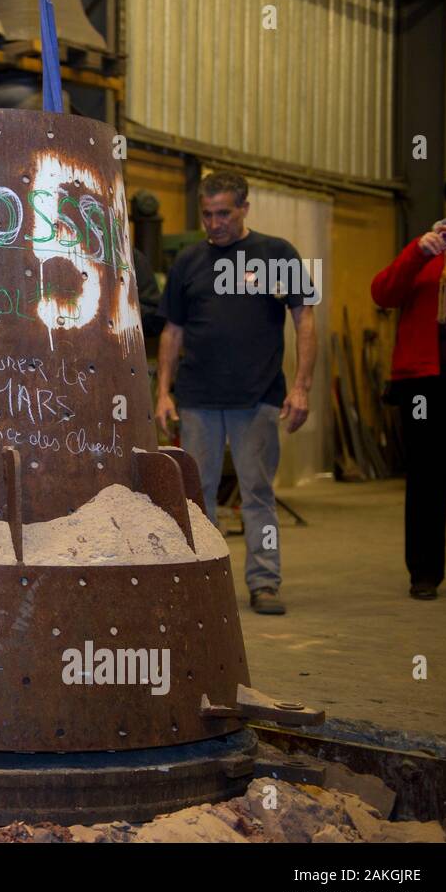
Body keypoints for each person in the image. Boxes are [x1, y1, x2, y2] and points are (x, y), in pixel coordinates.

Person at [154, 171, 317, 616]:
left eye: (224, 212)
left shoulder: (276, 254)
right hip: (198, 399)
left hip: (257, 396)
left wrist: (301, 387)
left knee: (257, 494)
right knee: (196, 495)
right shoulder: (188, 262)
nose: (215, 223)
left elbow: (304, 319)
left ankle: (264, 582)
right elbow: (172, 331)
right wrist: (163, 393)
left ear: (245, 208)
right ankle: (203, 581)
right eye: (207, 215)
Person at [370, 169, 446, 600]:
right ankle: (424, 574)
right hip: (425, 385)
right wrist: (416, 253)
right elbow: (382, 293)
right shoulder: (427, 251)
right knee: (426, 480)